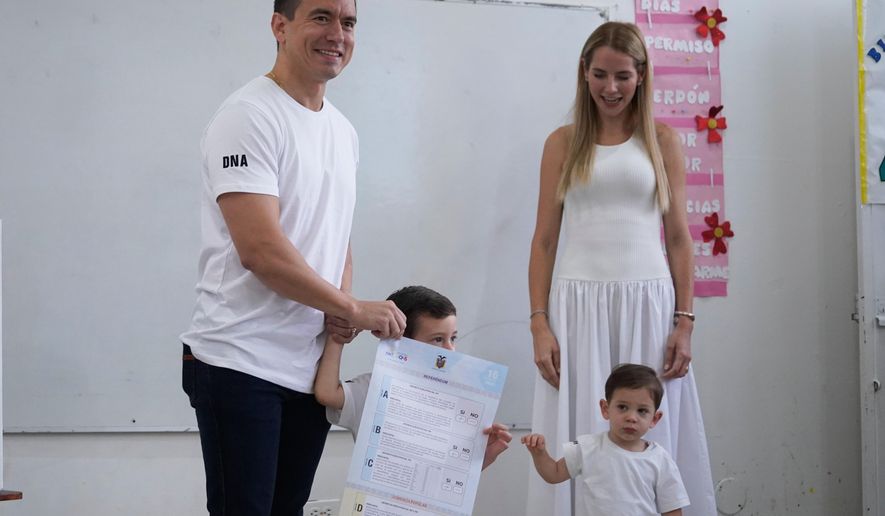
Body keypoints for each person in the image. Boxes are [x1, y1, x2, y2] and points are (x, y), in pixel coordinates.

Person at [180, 1, 408, 515]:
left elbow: (335, 238)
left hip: (306, 373)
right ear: (280, 27)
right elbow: (261, 251)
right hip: (239, 362)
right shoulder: (248, 116)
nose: (338, 34)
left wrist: (338, 316)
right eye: (321, 17)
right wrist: (352, 309)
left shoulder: (343, 131)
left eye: (348, 23)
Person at [526, 21, 715, 516]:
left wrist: (686, 320)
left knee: (645, 428)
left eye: (623, 76)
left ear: (642, 76)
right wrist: (539, 322)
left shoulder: (663, 141)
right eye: (600, 75)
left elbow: (678, 237)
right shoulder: (562, 143)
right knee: (581, 431)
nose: (611, 88)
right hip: (576, 304)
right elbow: (544, 240)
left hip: (649, 303)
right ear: (584, 75)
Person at [314, 285, 512, 470]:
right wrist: (338, 334)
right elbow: (327, 393)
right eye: (438, 339)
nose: (450, 350)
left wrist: (485, 456)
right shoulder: (374, 388)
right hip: (375, 505)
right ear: (401, 341)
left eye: (453, 338)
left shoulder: (458, 403)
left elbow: (447, 475)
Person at [523, 364, 689, 516]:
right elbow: (554, 474)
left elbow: (672, 508)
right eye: (622, 407)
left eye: (642, 411)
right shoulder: (586, 446)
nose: (631, 417)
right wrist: (539, 453)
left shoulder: (660, 459)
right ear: (605, 408)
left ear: (655, 418)